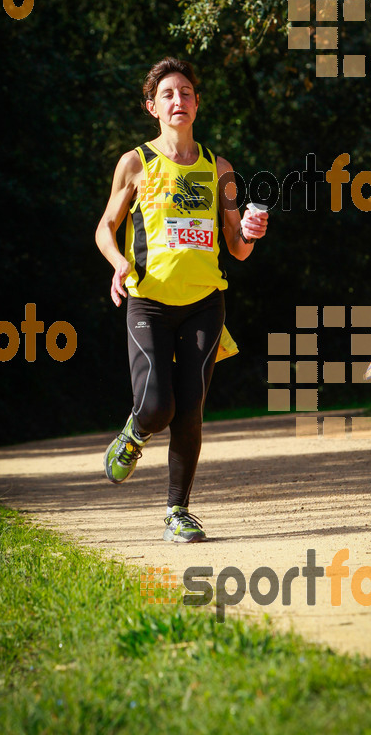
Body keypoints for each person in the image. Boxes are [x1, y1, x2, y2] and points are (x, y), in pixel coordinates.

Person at [95, 56, 268, 542]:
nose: (178, 101)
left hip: (205, 303)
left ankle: (178, 511)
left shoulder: (221, 168)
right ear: (152, 106)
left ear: (197, 103)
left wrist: (251, 231)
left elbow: (237, 246)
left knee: (190, 408)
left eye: (186, 92)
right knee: (155, 407)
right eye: (167, 94)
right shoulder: (137, 163)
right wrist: (119, 262)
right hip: (148, 301)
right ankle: (132, 434)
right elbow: (105, 229)